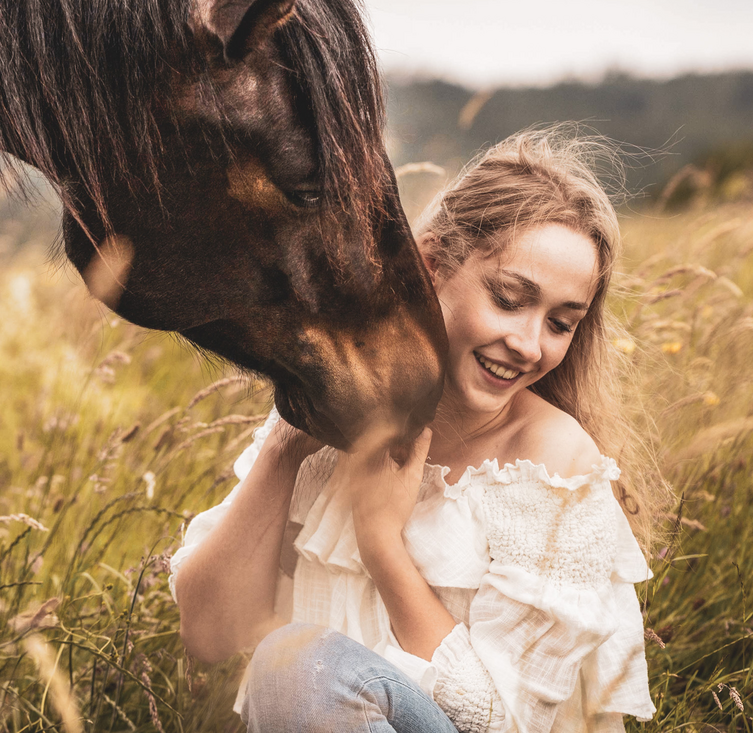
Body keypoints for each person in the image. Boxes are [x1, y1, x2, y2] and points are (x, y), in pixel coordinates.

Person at [170, 128, 658, 732]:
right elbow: (210, 635)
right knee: (292, 666)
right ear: (430, 266)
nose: (530, 344)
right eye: (509, 299)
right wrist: (286, 443)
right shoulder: (338, 409)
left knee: (298, 664)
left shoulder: (554, 467)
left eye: (561, 323)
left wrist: (382, 545)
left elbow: (505, 721)